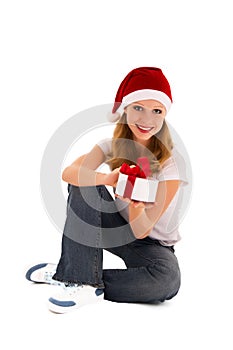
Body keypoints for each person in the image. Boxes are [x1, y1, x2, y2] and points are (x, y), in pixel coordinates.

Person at [26, 67, 189, 313]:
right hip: (116, 229)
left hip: (152, 245)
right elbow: (68, 173)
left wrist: (136, 205)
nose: (147, 120)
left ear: (165, 115)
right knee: (84, 183)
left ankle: (71, 274)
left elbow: (142, 230)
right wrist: (108, 178)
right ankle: (78, 276)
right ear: (125, 109)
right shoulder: (110, 147)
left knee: (167, 281)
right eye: (138, 108)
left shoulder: (172, 164)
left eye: (157, 111)